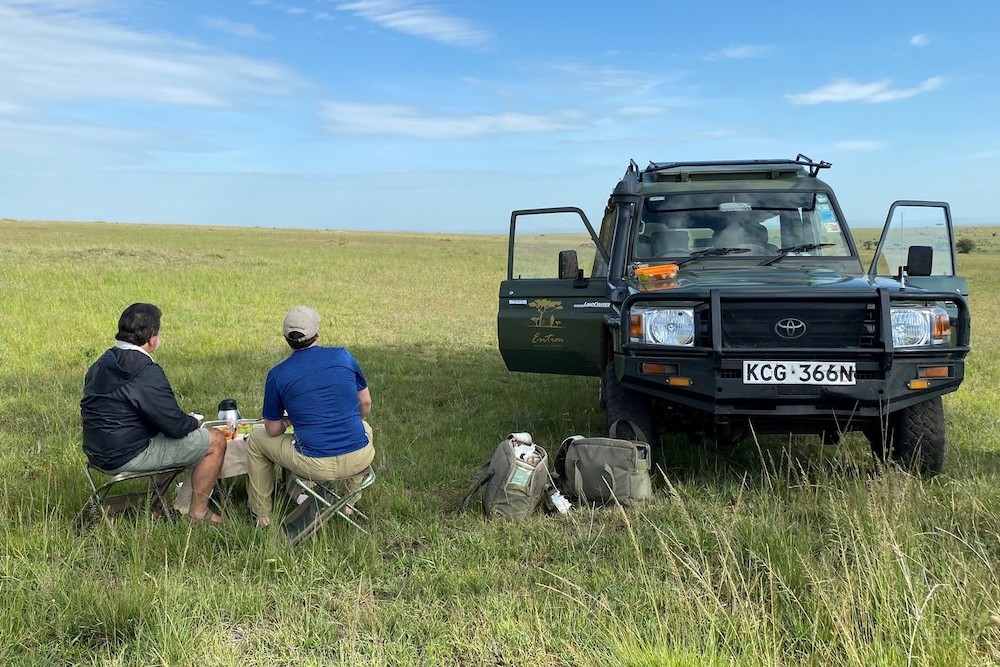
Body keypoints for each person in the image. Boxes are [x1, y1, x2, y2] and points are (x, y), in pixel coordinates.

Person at [80, 303, 226, 525]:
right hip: (125, 454)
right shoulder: (146, 371)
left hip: (96, 451)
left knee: (166, 438)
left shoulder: (101, 362)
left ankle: (157, 505)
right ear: (151, 339)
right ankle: (199, 513)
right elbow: (175, 426)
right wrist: (193, 422)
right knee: (215, 441)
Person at [246, 305, 374, 527]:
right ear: (317, 334)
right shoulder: (343, 356)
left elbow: (273, 430)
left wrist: (288, 420)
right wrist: (349, 420)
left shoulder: (278, 374)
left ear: (286, 338)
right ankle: (349, 502)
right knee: (365, 428)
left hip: (313, 465)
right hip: (359, 458)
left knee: (257, 442)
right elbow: (365, 403)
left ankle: (262, 515)